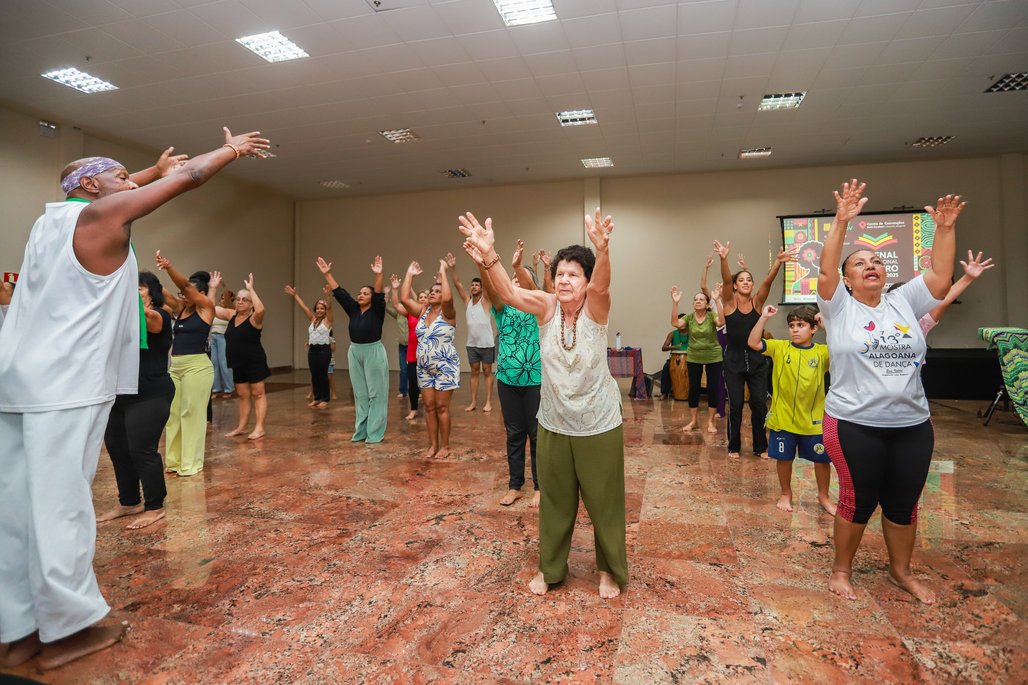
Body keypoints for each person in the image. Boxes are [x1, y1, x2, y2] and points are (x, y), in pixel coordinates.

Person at [0, 129, 269, 670]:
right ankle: (67, 628)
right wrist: (230, 150)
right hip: (66, 383)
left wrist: (146, 170)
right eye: (121, 176)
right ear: (92, 185)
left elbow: (111, 186)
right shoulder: (100, 219)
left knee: (16, 507)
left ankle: (17, 626)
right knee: (62, 506)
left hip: (20, 380)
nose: (132, 183)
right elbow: (189, 179)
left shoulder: (49, 221)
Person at [460, 208, 627, 600]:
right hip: (554, 421)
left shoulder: (595, 310)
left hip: (598, 423)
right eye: (561, 273)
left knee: (605, 502)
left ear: (585, 281)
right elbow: (508, 293)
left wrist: (603, 250)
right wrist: (490, 254)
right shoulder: (547, 306)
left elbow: (603, 287)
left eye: (574, 274)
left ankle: (608, 570)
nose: (565, 280)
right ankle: (551, 568)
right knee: (554, 500)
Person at [817, 179, 964, 605]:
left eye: (877, 260)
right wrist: (841, 223)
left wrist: (946, 229)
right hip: (853, 424)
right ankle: (842, 569)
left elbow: (939, 276)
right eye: (861, 262)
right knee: (858, 500)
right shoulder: (839, 306)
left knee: (903, 503)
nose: (871, 265)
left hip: (912, 424)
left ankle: (901, 571)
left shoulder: (904, 301)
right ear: (847, 279)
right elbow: (825, 271)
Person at [97, 271, 175, 529]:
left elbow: (149, 319)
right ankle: (129, 501)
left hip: (151, 392)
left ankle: (155, 506)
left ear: (152, 293)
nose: (131, 291)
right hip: (120, 393)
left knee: (142, 449)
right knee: (118, 449)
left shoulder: (159, 316)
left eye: (138, 287)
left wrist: (128, 299)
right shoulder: (119, 320)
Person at [710, 240, 797, 459]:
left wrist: (777, 262)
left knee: (759, 404)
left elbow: (767, 281)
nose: (747, 282)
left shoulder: (758, 303)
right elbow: (725, 279)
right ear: (735, 285)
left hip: (757, 361)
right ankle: (734, 446)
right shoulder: (729, 303)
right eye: (742, 280)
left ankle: (761, 447)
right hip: (734, 360)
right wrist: (723, 258)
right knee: (737, 405)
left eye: (749, 279)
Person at [747, 304, 834, 515]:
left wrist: (828, 327)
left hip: (814, 421)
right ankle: (786, 493)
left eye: (801, 325)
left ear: (814, 328)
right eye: (792, 325)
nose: (795, 329)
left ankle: (824, 496)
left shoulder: (823, 352)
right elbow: (753, 342)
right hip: (783, 418)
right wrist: (763, 318)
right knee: (784, 458)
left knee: (822, 460)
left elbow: (843, 347)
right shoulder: (780, 347)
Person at [489, 239, 543, 507]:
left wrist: (518, 266)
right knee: (514, 433)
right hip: (507, 378)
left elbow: (533, 287)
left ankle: (540, 487)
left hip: (535, 379)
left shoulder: (538, 307)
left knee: (537, 433)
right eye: (512, 279)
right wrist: (483, 261)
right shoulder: (503, 308)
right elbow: (492, 291)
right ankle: (515, 485)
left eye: (520, 279)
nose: (515, 281)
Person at [317, 256, 389, 444]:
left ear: (372, 297)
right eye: (360, 293)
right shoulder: (354, 309)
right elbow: (340, 294)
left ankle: (375, 433)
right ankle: (361, 431)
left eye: (365, 293)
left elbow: (380, 294)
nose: (361, 295)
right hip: (355, 352)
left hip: (373, 352)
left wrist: (379, 275)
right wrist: (327, 274)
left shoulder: (377, 310)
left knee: (376, 394)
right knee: (361, 394)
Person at [156, 254, 215, 476]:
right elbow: (162, 291)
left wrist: (170, 268)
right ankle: (173, 462)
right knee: (173, 414)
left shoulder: (206, 308)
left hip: (197, 367)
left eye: (188, 292)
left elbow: (181, 285)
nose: (183, 296)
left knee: (192, 414)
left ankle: (191, 463)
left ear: (199, 294)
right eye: (183, 294)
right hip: (176, 366)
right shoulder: (180, 308)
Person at [398, 259, 459, 458]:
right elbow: (405, 298)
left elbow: (449, 299)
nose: (432, 293)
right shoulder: (423, 312)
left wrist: (443, 271)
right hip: (424, 367)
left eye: (437, 291)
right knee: (429, 407)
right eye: (431, 291)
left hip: (445, 365)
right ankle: (433, 445)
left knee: (442, 406)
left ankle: (446, 446)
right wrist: (409, 274)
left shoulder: (448, 313)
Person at [212, 272, 269, 439]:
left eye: (245, 299)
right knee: (243, 395)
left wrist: (251, 289)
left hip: (254, 361)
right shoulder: (231, 316)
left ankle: (259, 427)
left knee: (258, 393)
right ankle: (242, 427)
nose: (240, 301)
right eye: (238, 299)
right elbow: (209, 308)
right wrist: (213, 289)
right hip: (237, 362)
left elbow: (261, 309)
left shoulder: (254, 319)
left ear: (251, 304)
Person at [670, 283, 725, 433]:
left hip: (713, 356)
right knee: (694, 389)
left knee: (712, 389)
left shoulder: (711, 315)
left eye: (701, 299)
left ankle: (711, 422)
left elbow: (721, 322)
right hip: (694, 356)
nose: (698, 301)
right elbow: (675, 323)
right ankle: (693, 421)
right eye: (696, 299)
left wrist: (718, 300)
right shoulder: (689, 317)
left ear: (707, 304)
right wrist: (675, 303)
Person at [449, 253, 495, 413]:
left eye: (477, 285)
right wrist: (453, 268)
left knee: (487, 372)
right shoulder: (468, 301)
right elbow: (457, 284)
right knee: (474, 373)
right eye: (472, 285)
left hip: (487, 344)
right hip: (472, 344)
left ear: (481, 288)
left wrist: (481, 265)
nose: (474, 287)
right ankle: (474, 401)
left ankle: (488, 401)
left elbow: (489, 285)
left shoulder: (486, 300)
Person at [285, 285, 333, 408]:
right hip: (312, 350)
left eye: (322, 308)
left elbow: (330, 307)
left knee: (323, 374)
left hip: (324, 350)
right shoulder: (313, 320)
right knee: (314, 374)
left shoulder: (328, 321)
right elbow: (304, 307)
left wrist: (328, 295)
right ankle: (317, 398)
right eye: (317, 308)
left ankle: (325, 399)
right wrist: (295, 295)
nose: (319, 310)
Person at [390, 275, 426, 421]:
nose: (423, 298)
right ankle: (414, 409)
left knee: (428, 382)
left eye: (425, 297)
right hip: (412, 352)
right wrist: (394, 289)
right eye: (421, 297)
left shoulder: (433, 313)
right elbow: (397, 305)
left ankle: (432, 409)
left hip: (427, 353)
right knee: (412, 381)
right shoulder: (411, 313)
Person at [384, 283, 410, 402]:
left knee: (414, 369)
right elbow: (387, 307)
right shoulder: (399, 314)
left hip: (413, 346)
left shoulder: (414, 314)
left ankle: (418, 390)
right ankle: (403, 391)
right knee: (403, 369)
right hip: (402, 345)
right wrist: (387, 294)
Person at [208, 284, 235, 399]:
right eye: (221, 298)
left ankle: (229, 389)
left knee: (224, 363)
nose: (222, 300)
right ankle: (216, 389)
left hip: (224, 337)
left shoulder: (230, 311)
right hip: (213, 337)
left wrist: (224, 287)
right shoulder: (215, 310)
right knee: (214, 363)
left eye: (225, 298)